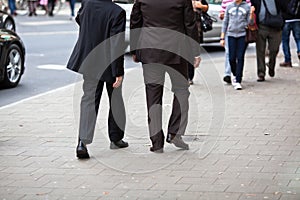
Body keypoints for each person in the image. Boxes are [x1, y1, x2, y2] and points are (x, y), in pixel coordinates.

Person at [130, 0, 201, 153]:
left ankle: (156, 142)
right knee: (182, 91)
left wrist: (135, 50)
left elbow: (135, 23)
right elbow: (190, 24)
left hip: (151, 52)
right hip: (176, 51)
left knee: (153, 95)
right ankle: (175, 133)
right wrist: (195, 51)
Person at [67, 0, 128, 159]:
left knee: (88, 99)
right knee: (115, 98)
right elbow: (116, 44)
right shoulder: (117, 12)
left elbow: (79, 19)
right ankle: (116, 138)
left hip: (89, 60)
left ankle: (82, 142)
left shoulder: (87, 4)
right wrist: (118, 71)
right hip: (108, 63)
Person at [220, 0, 254, 90]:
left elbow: (250, 23)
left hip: (242, 35)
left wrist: (251, 13)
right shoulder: (229, 6)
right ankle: (235, 73)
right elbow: (225, 22)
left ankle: (238, 80)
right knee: (231, 58)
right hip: (230, 35)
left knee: (240, 57)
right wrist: (222, 37)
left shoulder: (246, 6)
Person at [250, 0, 287, 82]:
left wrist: (281, 21)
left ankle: (271, 64)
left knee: (274, 49)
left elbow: (285, 7)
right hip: (261, 26)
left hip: (275, 27)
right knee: (260, 50)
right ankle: (261, 73)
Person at [187, 0, 208, 85]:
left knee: (192, 54)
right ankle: (185, 75)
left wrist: (200, 6)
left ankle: (190, 77)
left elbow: (206, 8)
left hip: (196, 30)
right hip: (184, 29)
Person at [279, 0, 300, 68]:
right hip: (297, 18)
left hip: (285, 19)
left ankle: (287, 60)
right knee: (298, 38)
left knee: (285, 40)